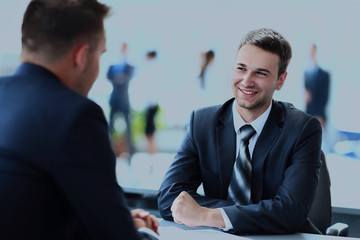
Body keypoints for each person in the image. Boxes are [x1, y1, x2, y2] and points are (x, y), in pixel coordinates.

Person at [0, 1, 159, 239]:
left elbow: (26, 205)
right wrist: (142, 232)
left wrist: (118, 218)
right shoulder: (76, 115)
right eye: (100, 54)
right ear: (82, 56)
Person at [158, 28, 323, 235]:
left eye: (261, 73)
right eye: (241, 68)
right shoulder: (202, 123)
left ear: (280, 81)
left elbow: (291, 211)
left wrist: (207, 215)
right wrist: (234, 216)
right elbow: (168, 198)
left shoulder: (302, 129)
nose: (246, 80)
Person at [107, 42, 135, 156]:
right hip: (114, 98)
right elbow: (109, 77)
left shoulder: (129, 66)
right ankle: (108, 150)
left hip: (124, 100)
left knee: (128, 127)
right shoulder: (113, 65)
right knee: (110, 127)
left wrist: (119, 78)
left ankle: (130, 153)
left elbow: (126, 78)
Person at [304, 43, 330, 128]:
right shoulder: (306, 73)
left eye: (313, 51)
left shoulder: (324, 74)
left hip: (319, 114)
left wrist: (320, 114)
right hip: (308, 113)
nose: (311, 54)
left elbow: (325, 96)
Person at [143, 50, 159, 154]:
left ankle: (152, 153)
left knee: (150, 132)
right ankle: (151, 153)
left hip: (152, 105)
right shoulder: (154, 69)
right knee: (150, 132)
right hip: (151, 105)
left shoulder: (152, 70)